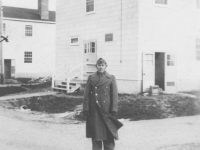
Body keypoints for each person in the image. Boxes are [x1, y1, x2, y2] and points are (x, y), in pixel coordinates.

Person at [83, 58, 123, 150]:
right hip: (95, 110)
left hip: (107, 110)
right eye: (99, 65)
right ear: (96, 66)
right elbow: (86, 95)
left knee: (108, 133)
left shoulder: (111, 78)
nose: (101, 67)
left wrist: (113, 109)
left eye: (102, 65)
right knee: (96, 135)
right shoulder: (91, 78)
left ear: (106, 66)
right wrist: (86, 108)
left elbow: (114, 95)